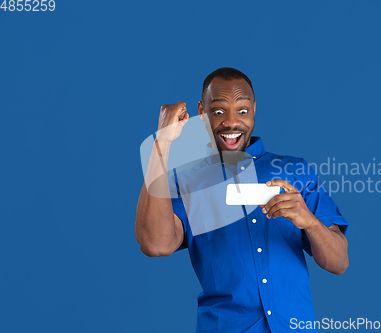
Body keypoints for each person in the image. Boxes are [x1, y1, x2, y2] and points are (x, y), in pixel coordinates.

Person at [135, 67, 349, 333]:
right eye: (218, 111)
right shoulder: (186, 180)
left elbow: (339, 263)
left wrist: (311, 223)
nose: (232, 122)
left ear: (255, 109)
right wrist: (161, 143)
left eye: (243, 111)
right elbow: (155, 244)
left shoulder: (296, 171)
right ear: (202, 112)